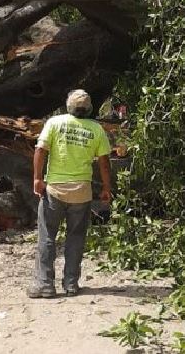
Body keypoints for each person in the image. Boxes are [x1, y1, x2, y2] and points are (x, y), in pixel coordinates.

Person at [27, 89, 112, 298]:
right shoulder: (96, 129)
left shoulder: (55, 123)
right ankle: (71, 284)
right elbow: (104, 162)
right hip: (81, 193)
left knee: (47, 236)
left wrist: (37, 179)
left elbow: (40, 150)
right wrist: (106, 188)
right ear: (90, 108)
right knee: (75, 238)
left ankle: (45, 285)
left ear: (69, 106)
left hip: (55, 190)